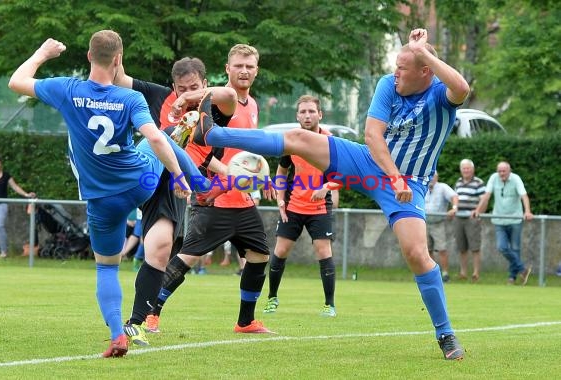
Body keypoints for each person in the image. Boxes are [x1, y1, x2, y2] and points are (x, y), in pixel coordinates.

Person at [190, 28, 470, 360]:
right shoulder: (387, 86)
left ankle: (446, 334)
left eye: (403, 68)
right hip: (371, 162)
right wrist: (393, 176)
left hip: (410, 183)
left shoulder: (440, 93)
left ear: (425, 69)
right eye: (395, 66)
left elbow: (462, 88)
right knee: (298, 138)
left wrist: (424, 53)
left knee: (415, 253)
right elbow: (372, 135)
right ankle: (213, 134)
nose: (394, 74)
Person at [7, 30, 212, 357]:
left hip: (102, 201)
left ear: (89, 57)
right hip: (138, 181)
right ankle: (203, 185)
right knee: (165, 135)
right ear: (118, 60)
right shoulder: (131, 98)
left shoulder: (66, 89)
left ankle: (118, 335)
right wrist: (181, 177)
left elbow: (17, 81)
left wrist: (44, 53)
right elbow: (157, 141)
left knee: (106, 268)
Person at [146, 43, 277, 335]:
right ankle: (149, 313)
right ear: (227, 69)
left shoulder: (252, 104)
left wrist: (260, 173)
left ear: (256, 70)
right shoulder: (219, 102)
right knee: (185, 260)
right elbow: (198, 149)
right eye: (238, 66)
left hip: (241, 199)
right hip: (214, 199)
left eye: (249, 66)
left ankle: (245, 322)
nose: (244, 71)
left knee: (259, 255)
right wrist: (190, 97)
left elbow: (242, 151)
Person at [113, 56, 236, 344]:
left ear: (205, 84)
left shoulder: (214, 110)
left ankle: (135, 322)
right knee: (165, 136)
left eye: (194, 87)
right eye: (181, 89)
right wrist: (113, 52)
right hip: (152, 173)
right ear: (172, 87)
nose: (186, 92)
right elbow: (117, 78)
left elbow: (229, 95)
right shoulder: (159, 96)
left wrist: (234, 174)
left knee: (161, 250)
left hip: (178, 187)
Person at [262, 95, 339, 317]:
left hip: (319, 208)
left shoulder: (330, 141)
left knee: (323, 251)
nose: (307, 115)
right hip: (294, 206)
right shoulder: (292, 141)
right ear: (297, 116)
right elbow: (282, 171)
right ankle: (272, 299)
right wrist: (280, 199)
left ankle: (329, 305)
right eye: (303, 112)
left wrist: (327, 187)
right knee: (280, 250)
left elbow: (343, 172)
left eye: (311, 111)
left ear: (320, 115)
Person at [474, 161, 533, 285]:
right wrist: (478, 210)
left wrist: (527, 211)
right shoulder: (493, 178)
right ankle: (523, 269)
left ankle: (512, 277)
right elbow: (486, 196)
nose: (501, 173)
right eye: (499, 171)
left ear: (509, 171)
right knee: (502, 247)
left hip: (515, 220)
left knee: (515, 248)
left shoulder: (516, 179)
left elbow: (524, 196)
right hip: (499, 220)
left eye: (504, 171)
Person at [0, 155, 36, 258]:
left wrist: (26, 194)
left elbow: (15, 187)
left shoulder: (6, 176)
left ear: (0, 164)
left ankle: (4, 251)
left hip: (1, 205)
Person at [454, 159, 485, 282]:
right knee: (461, 248)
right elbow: (455, 197)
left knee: (475, 247)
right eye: (464, 168)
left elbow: (483, 199)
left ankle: (476, 273)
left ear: (472, 169)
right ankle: (463, 273)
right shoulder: (458, 182)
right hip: (458, 218)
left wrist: (477, 210)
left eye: (468, 168)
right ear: (461, 170)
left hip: (472, 219)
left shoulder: (478, 182)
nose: (466, 170)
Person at [424, 171, 458, 283]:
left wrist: (454, 208)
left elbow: (454, 196)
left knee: (442, 249)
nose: (431, 178)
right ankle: (431, 273)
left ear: (437, 177)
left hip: (438, 223)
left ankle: (445, 274)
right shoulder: (422, 186)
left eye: (433, 176)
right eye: (429, 176)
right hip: (423, 223)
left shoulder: (443, 187)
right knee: (426, 250)